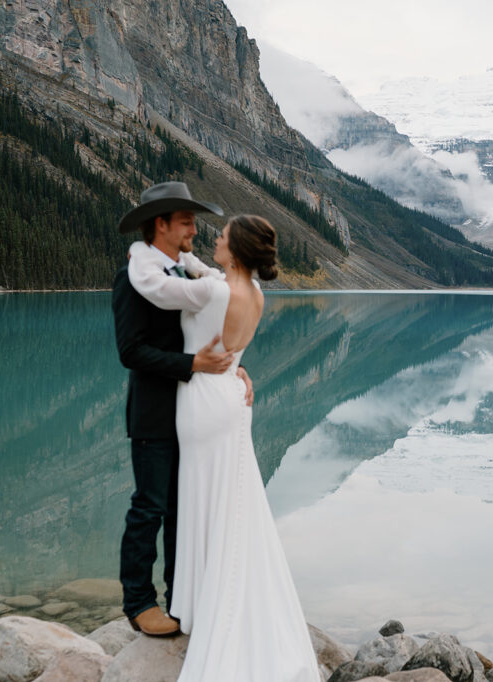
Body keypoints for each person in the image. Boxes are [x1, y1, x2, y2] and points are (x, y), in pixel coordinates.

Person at [125, 214, 320, 681]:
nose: (214, 238)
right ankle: (202, 600)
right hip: (231, 395)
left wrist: (138, 250)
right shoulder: (254, 293)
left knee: (201, 500)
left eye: (223, 236)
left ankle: (198, 605)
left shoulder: (214, 291)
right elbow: (200, 272)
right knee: (230, 501)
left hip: (203, 400)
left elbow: (153, 287)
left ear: (236, 250)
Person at [112, 181, 254, 637]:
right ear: (162, 224)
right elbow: (130, 352)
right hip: (155, 413)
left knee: (183, 509)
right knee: (149, 507)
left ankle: (181, 599)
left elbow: (213, 330)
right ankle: (138, 603)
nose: (195, 228)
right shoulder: (133, 278)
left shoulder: (188, 275)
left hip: (193, 413)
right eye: (187, 221)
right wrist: (193, 364)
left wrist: (235, 368)